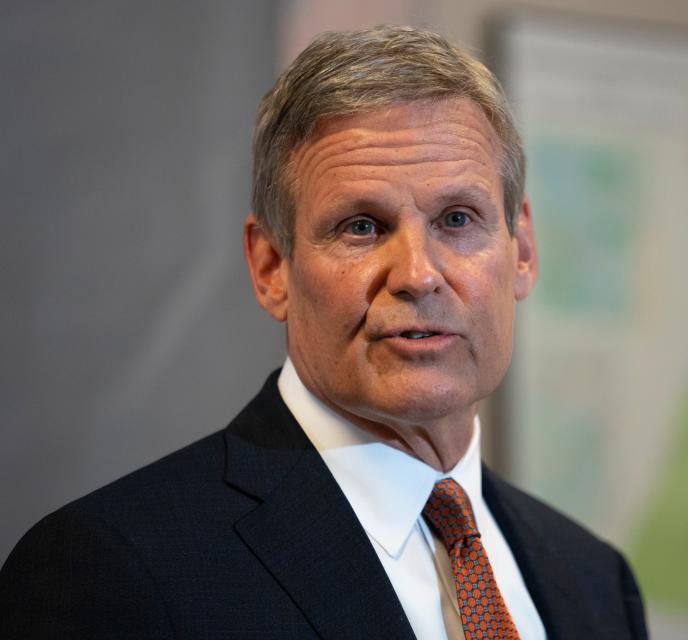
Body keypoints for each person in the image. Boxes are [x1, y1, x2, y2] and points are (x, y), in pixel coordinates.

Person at [0, 26, 648, 639]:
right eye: (361, 226)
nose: (419, 276)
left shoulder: (593, 581)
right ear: (271, 267)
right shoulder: (112, 571)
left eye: (457, 218)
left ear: (524, 251)